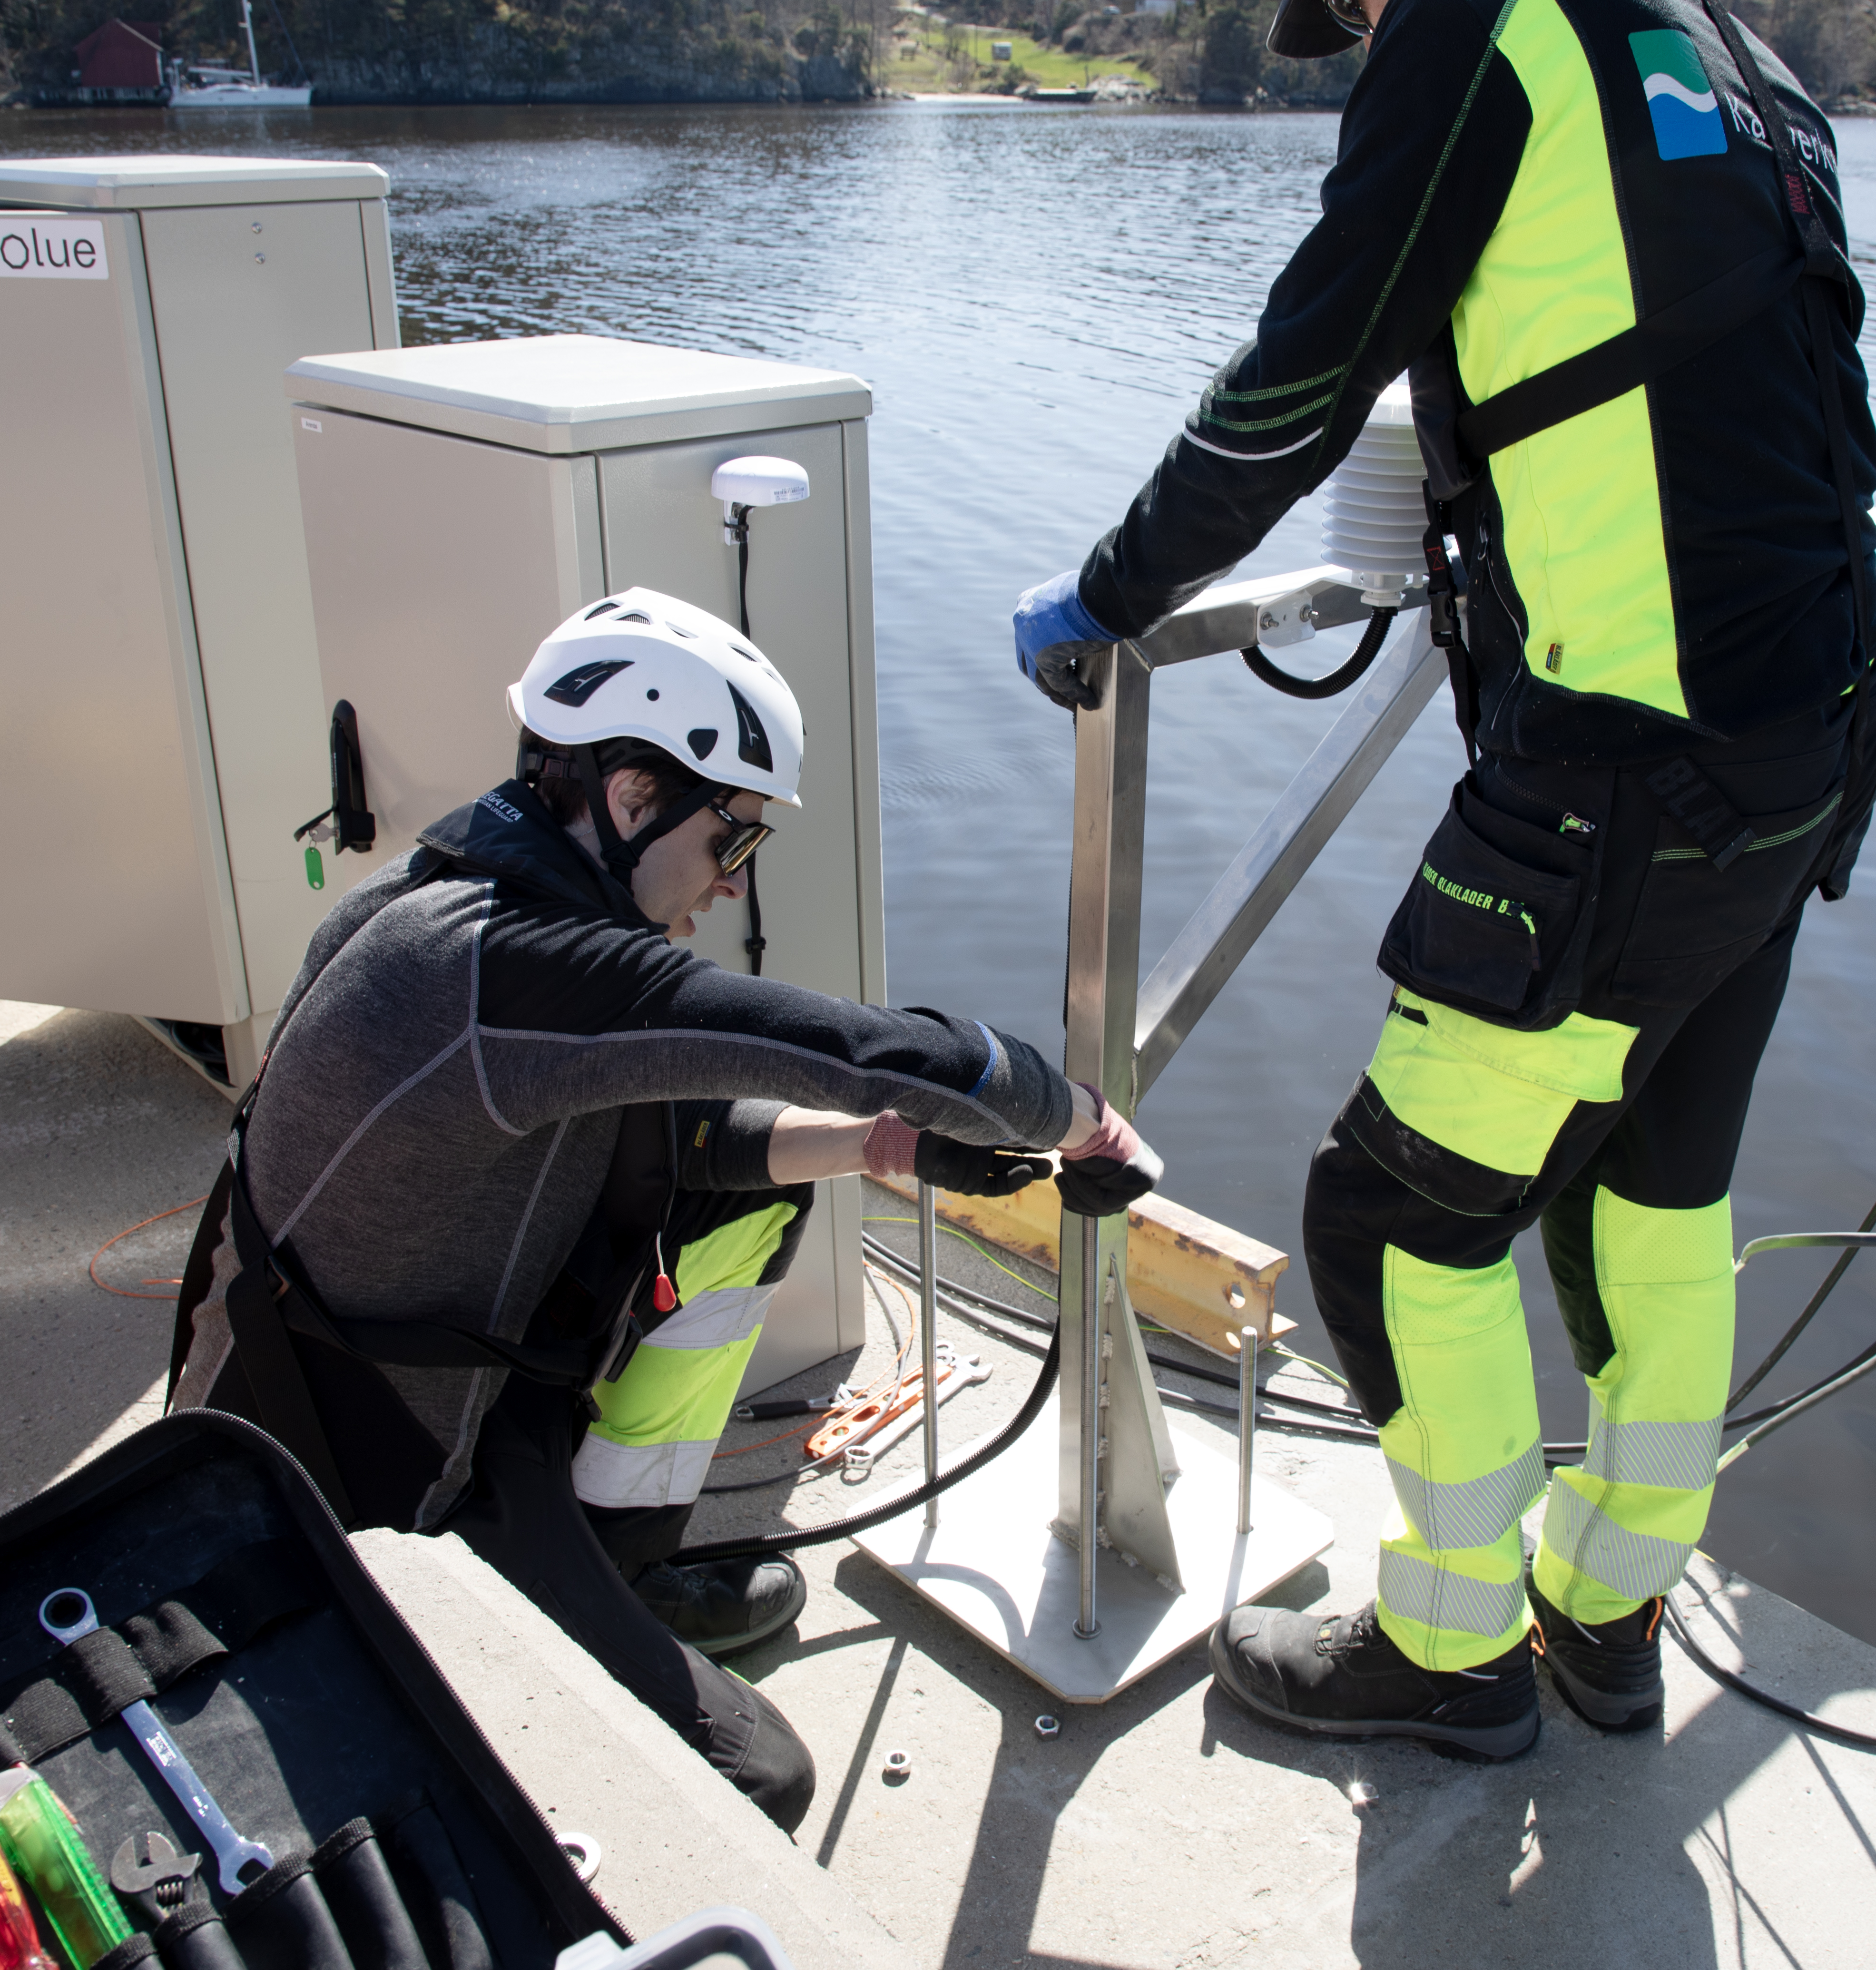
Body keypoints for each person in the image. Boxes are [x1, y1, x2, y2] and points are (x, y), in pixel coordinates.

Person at [1013, 0, 1876, 1761]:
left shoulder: (1484, 32)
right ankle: (1610, 1614)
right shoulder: (1748, 66)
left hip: (1620, 780)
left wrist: (1110, 591)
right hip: (1802, 755)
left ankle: (1454, 1648)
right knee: (1657, 1200)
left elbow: (1301, 380)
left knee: (1386, 1218)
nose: (1354, 29)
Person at [171, 588, 1159, 1829]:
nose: (732, 887)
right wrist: (1080, 1118)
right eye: (733, 843)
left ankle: (606, 1580)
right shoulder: (499, 971)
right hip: (356, 1502)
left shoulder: (466, 899)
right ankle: (509, 1667)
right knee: (756, 1784)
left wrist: (880, 1146)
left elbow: (676, 1138)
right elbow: (852, 1042)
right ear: (636, 797)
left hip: (457, 1422)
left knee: (753, 1209)